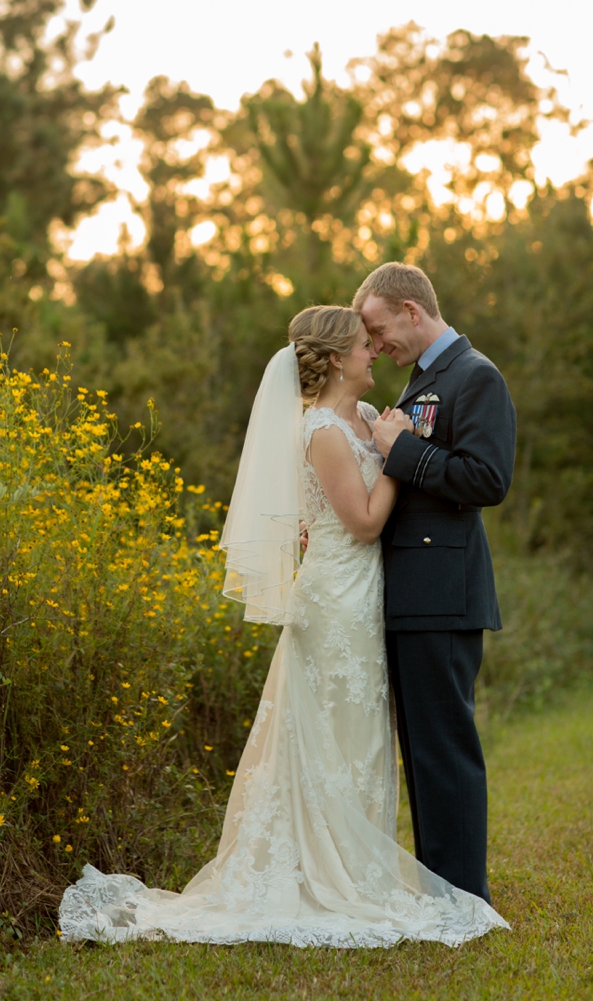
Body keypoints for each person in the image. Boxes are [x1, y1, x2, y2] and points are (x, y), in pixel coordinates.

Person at [58, 304, 508, 947]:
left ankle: (358, 868)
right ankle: (320, 873)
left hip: (365, 592)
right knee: (327, 733)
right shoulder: (324, 427)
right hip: (336, 601)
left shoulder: (360, 418)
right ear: (332, 359)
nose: (373, 351)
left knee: (360, 738)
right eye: (362, 344)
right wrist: (399, 454)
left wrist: (389, 445)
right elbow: (364, 523)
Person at [354, 262, 517, 905]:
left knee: (445, 748)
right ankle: (436, 890)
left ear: (410, 311)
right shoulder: (423, 381)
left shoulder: (476, 377)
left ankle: (461, 897)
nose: (374, 346)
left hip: (445, 592)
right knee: (422, 751)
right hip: (408, 591)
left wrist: (402, 451)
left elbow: (488, 479)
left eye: (377, 329)